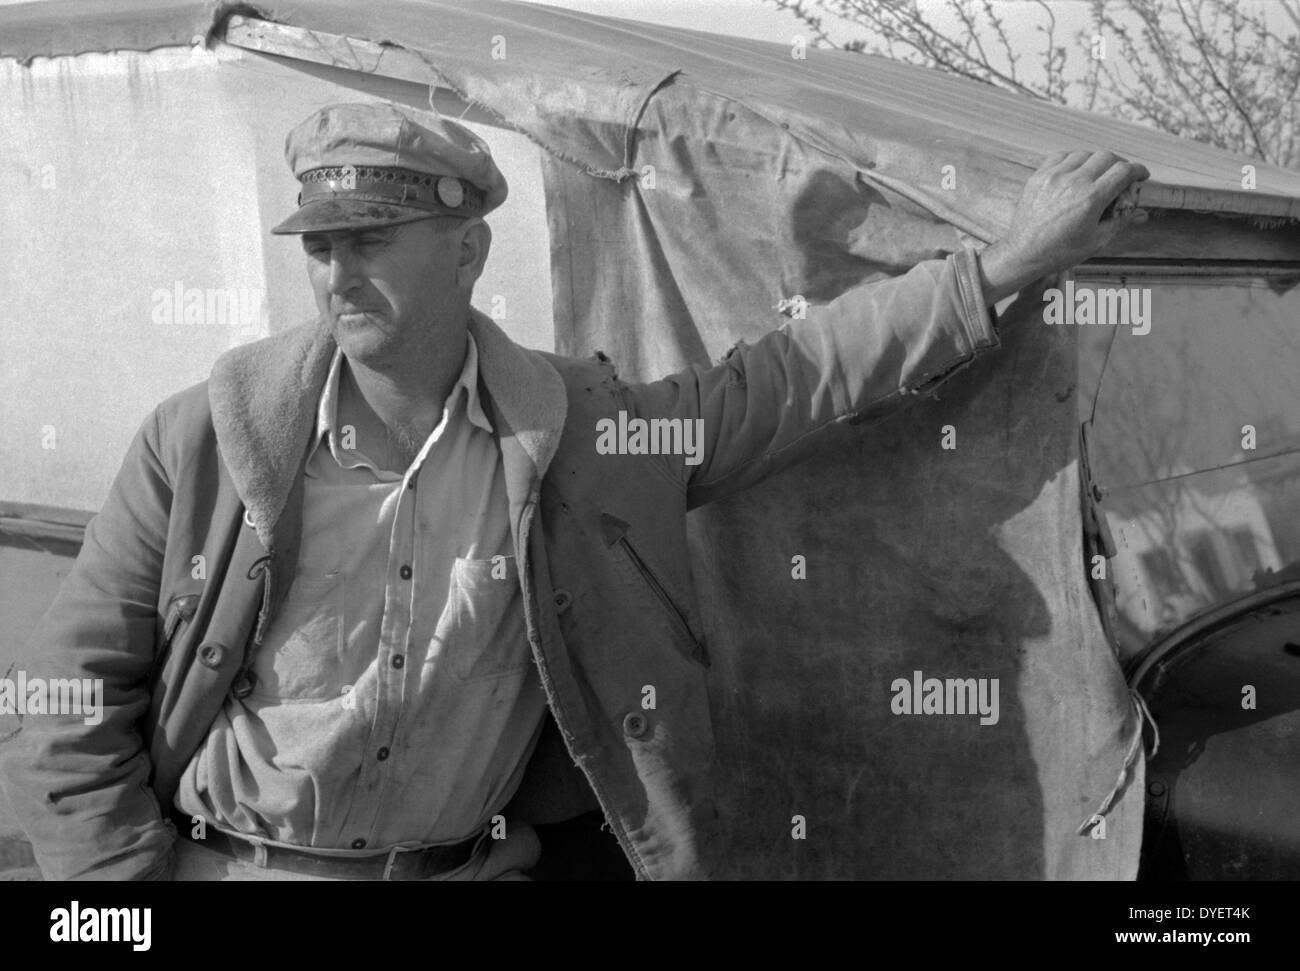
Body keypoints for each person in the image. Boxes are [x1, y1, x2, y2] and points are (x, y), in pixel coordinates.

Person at [0, 101, 1148, 880]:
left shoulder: (586, 435)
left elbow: (789, 382)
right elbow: (64, 688)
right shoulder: (205, 442)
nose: (338, 271)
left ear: (466, 250)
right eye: (321, 244)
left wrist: (1001, 270)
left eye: (374, 237)